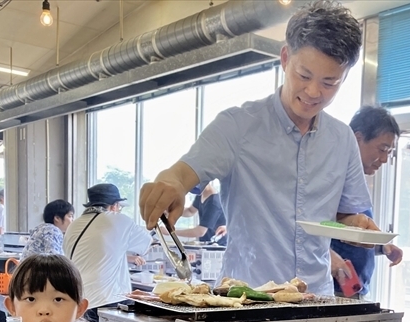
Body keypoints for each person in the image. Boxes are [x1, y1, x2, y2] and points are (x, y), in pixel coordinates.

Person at [138, 0, 378, 296]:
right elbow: (181, 174)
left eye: (330, 82)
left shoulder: (342, 140)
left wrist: (357, 227)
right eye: (304, 75)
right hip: (247, 301)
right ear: (285, 58)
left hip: (315, 302)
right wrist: (169, 185)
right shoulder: (238, 126)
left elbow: (338, 218)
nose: (314, 92)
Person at [331, 105, 403, 297]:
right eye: (382, 149)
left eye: (389, 152)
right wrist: (328, 256)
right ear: (357, 138)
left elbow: (353, 228)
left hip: (354, 290)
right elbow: (316, 224)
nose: (385, 159)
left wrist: (381, 245)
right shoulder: (331, 175)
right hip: (331, 289)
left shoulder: (355, 180)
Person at [63, 183, 152, 322]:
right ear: (114, 205)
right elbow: (146, 245)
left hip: (77, 301)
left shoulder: (74, 225)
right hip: (107, 301)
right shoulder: (118, 220)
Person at [169, 180, 228, 244]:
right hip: (206, 244)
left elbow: (200, 232)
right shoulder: (201, 195)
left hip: (217, 246)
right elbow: (190, 211)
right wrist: (170, 210)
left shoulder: (213, 202)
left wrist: (171, 232)